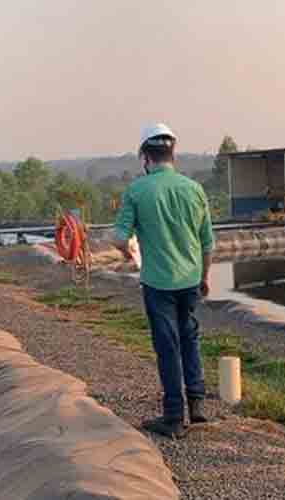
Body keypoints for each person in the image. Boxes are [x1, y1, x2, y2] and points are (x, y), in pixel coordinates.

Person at [112, 123, 215, 439]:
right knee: (190, 337)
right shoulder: (194, 189)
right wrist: (205, 277)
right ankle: (196, 405)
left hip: (158, 283)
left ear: (145, 157)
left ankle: (173, 416)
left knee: (168, 346)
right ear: (173, 153)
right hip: (189, 280)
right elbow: (207, 242)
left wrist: (129, 253)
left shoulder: (137, 191)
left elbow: (118, 238)